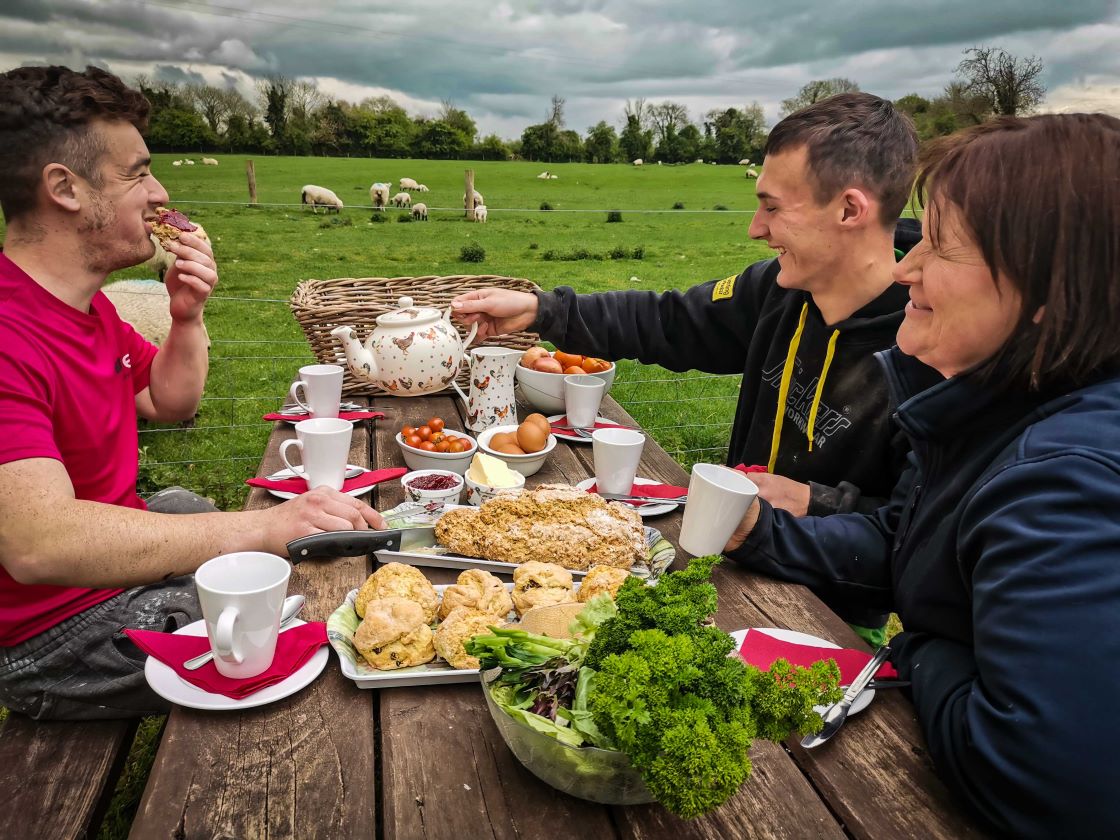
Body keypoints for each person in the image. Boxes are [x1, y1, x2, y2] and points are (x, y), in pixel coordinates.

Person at [724, 113, 1120, 837]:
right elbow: (911, 542)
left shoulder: (1065, 478)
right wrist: (760, 532)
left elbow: (1046, 779)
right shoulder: (999, 408)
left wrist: (920, 647)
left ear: (1050, 294)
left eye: (940, 245)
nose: (907, 268)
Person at [454, 93, 925, 642]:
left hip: (830, 622)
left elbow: (915, 537)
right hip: (727, 572)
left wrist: (812, 502)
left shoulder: (929, 346)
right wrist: (544, 310)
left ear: (849, 210)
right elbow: (670, 320)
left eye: (773, 208)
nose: (755, 228)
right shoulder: (776, 292)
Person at [0, 66, 384, 721]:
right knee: (307, 628)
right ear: (64, 188)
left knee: (191, 510)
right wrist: (261, 527)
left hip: (98, 576)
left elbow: (168, 403)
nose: (161, 193)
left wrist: (186, 316)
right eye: (137, 174)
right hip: (51, 633)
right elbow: (38, 544)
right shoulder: (11, 332)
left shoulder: (90, 309)